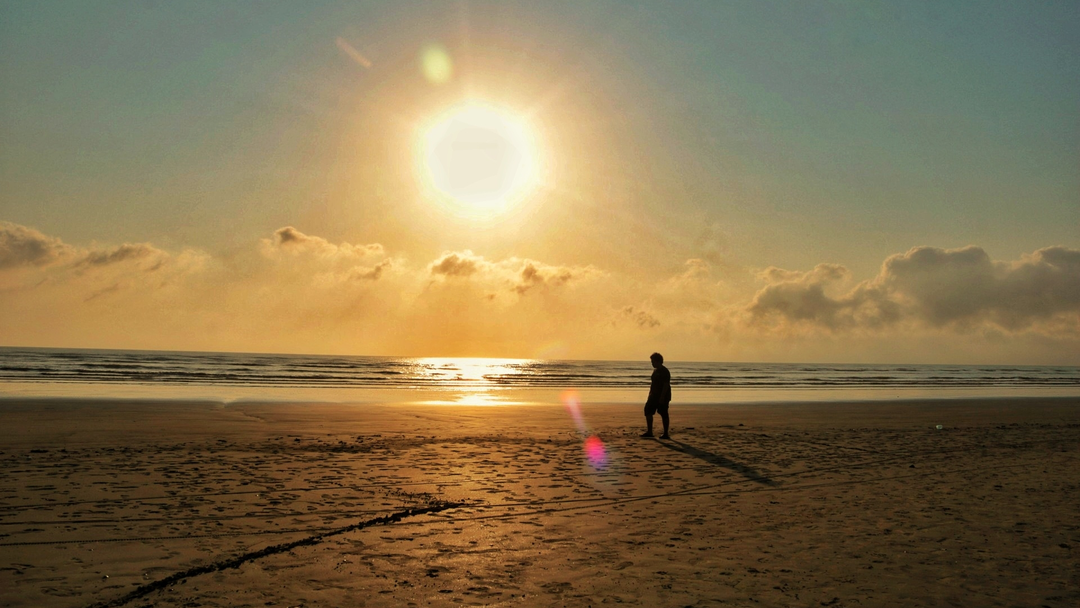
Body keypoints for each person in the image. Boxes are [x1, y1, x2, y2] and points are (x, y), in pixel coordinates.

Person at [642, 352, 671, 439]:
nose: (652, 363)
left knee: (663, 413)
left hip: (663, 395)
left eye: (653, 361)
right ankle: (649, 431)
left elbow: (666, 385)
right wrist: (650, 393)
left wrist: (662, 397)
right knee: (648, 410)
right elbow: (653, 383)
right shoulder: (655, 371)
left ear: (658, 361)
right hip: (653, 395)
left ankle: (666, 433)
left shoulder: (664, 371)